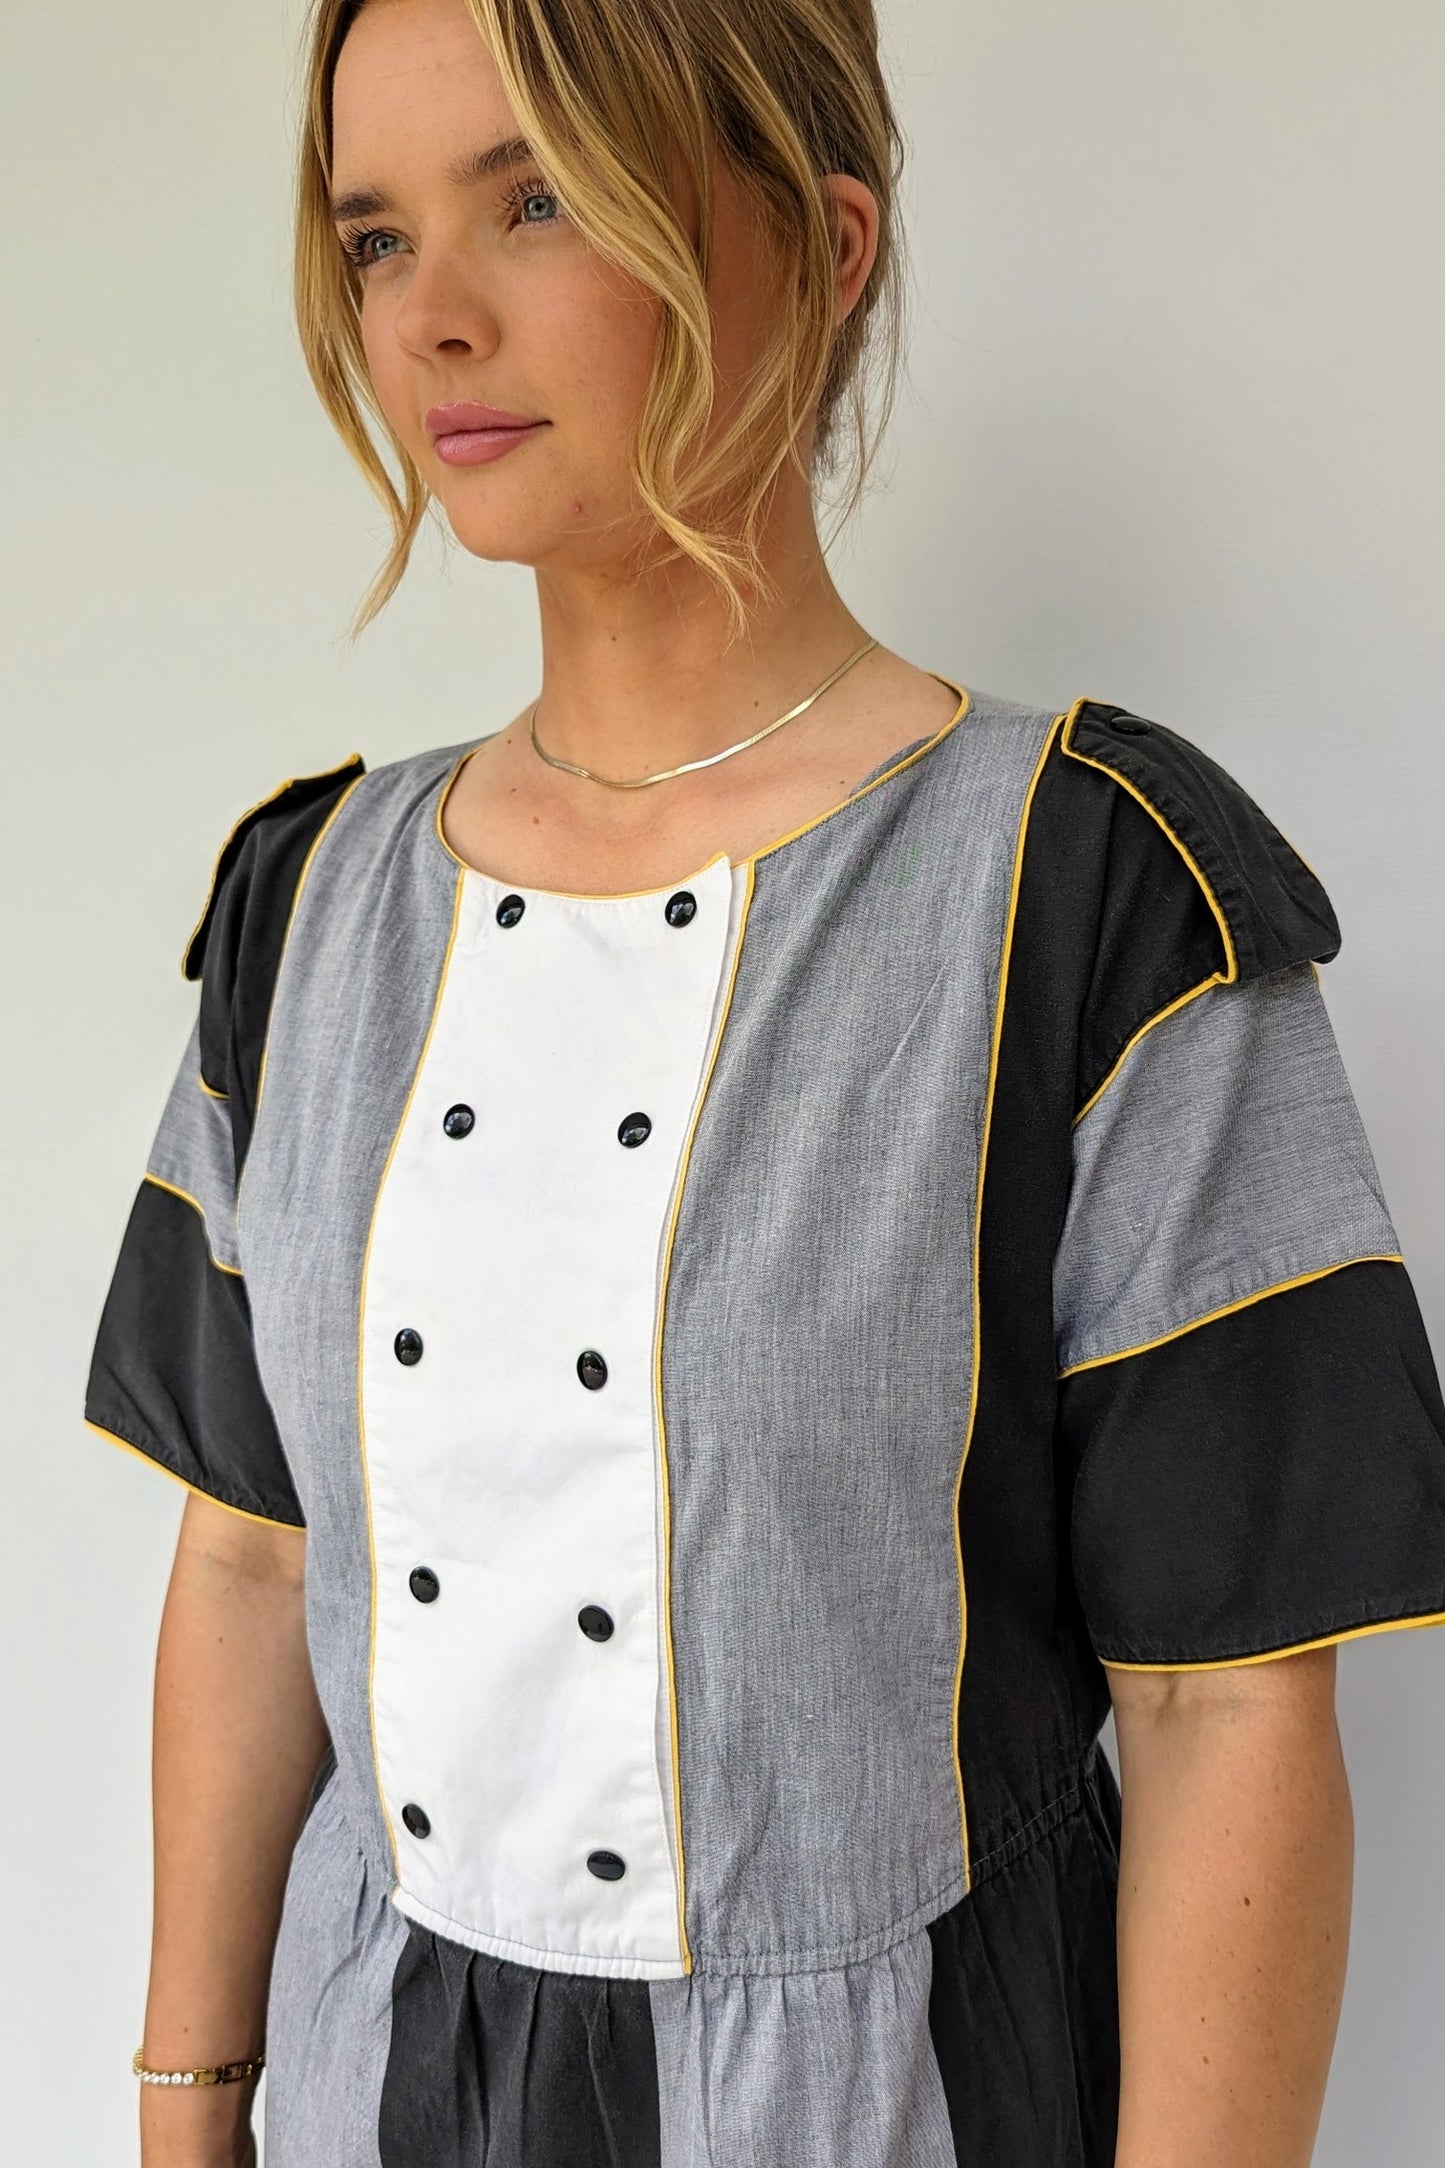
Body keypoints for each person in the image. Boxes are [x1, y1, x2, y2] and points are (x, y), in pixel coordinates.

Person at [85, 0, 1445, 2162]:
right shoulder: (310, 906)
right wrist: (186, 2110)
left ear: (821, 244)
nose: (431, 317)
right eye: (374, 237)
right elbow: (254, 1561)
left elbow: (1227, 1699)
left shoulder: (1095, 898)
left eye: (538, 199)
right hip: (374, 2097)